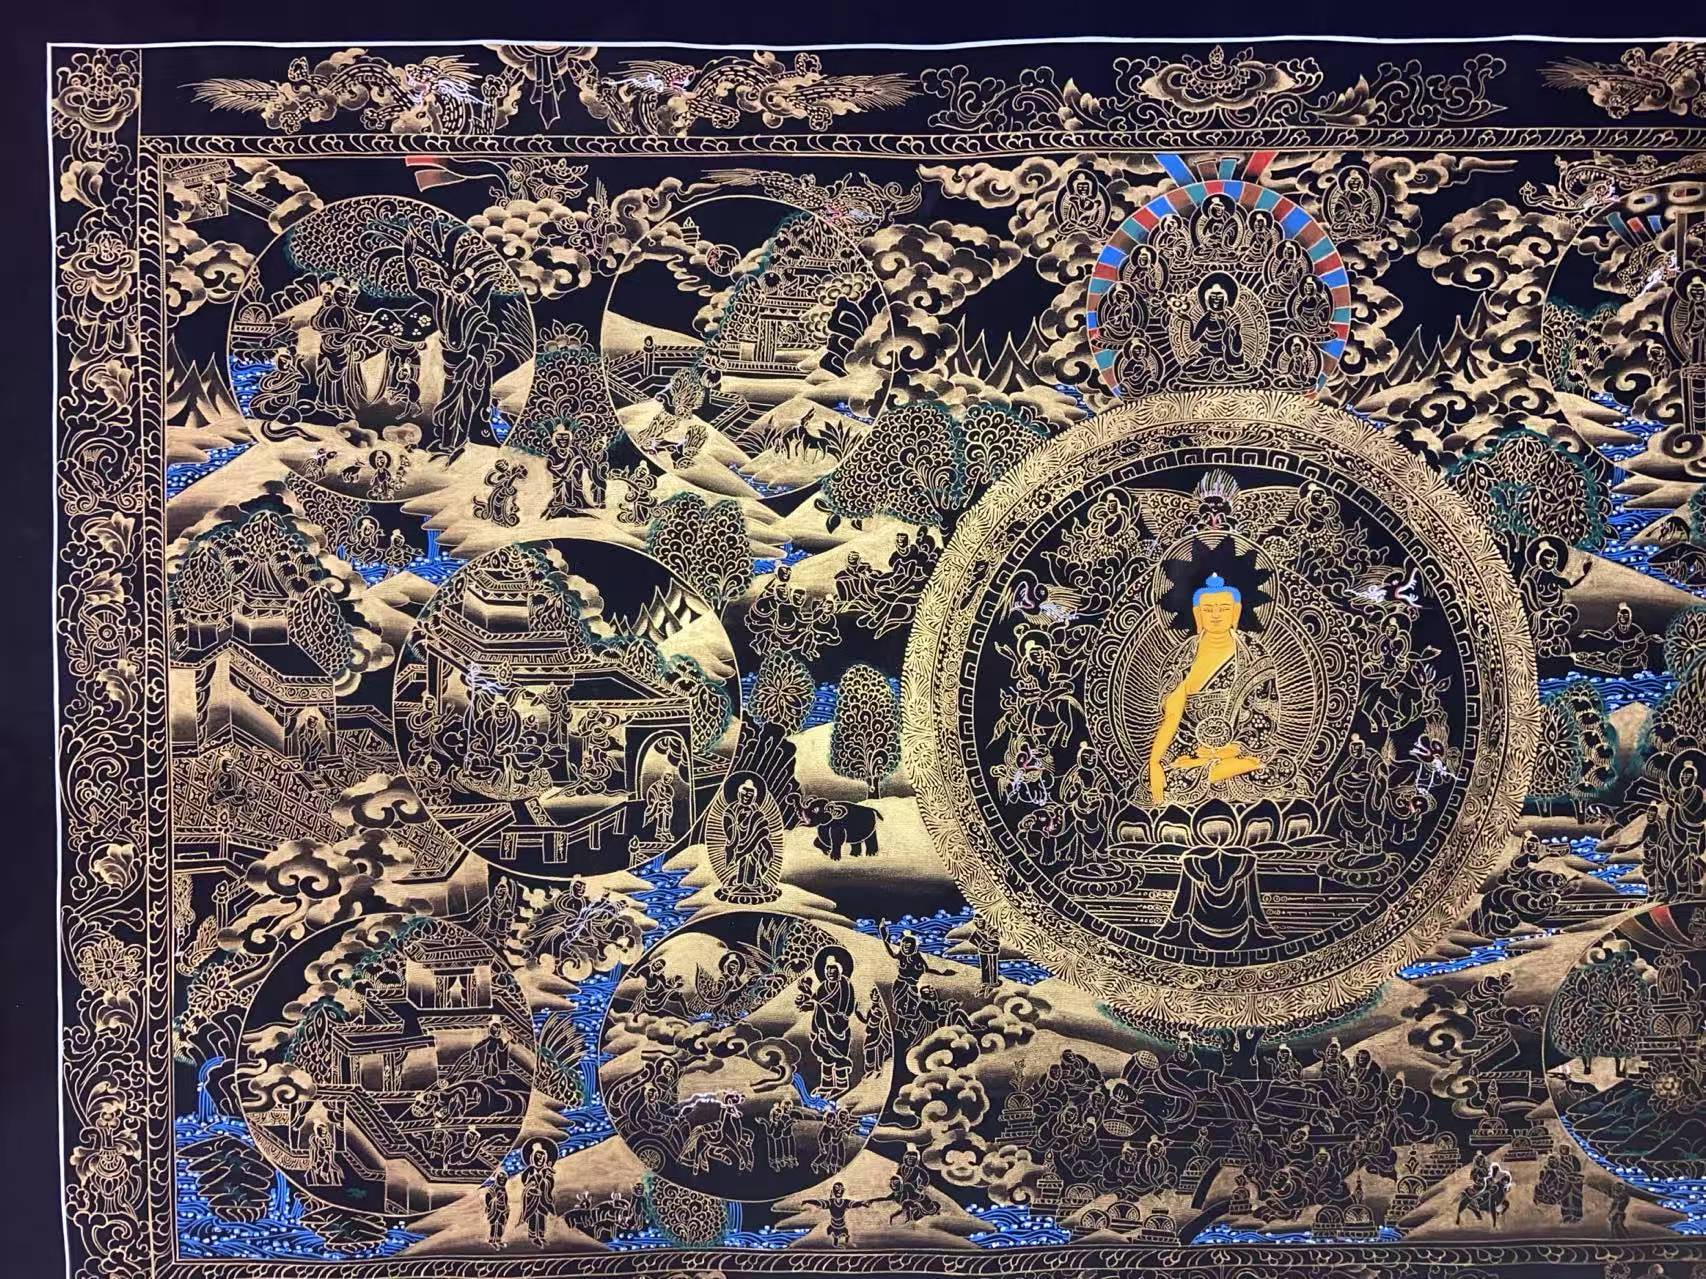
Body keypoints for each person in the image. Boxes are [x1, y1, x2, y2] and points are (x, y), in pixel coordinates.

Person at [483, 1175, 509, 1249]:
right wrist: (493, 1202)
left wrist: (506, 1207)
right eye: (501, 1180)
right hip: (494, 1210)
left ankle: (498, 1239)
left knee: (500, 1225)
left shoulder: (503, 1188)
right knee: (494, 1225)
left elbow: (505, 1199)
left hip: (502, 1210)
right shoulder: (493, 1188)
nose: (502, 1181)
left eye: (503, 1180)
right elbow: (488, 1197)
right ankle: (492, 1240)